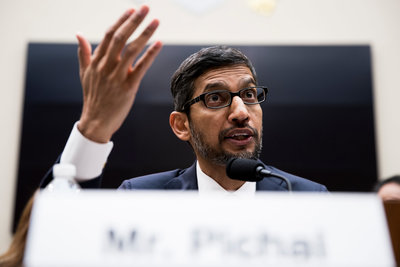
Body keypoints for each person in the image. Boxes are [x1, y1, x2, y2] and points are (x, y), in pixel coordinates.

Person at [40, 5, 327, 193]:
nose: (241, 112)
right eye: (216, 97)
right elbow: (63, 242)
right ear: (181, 125)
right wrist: (93, 129)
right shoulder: (141, 198)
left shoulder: (306, 197)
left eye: (249, 94)